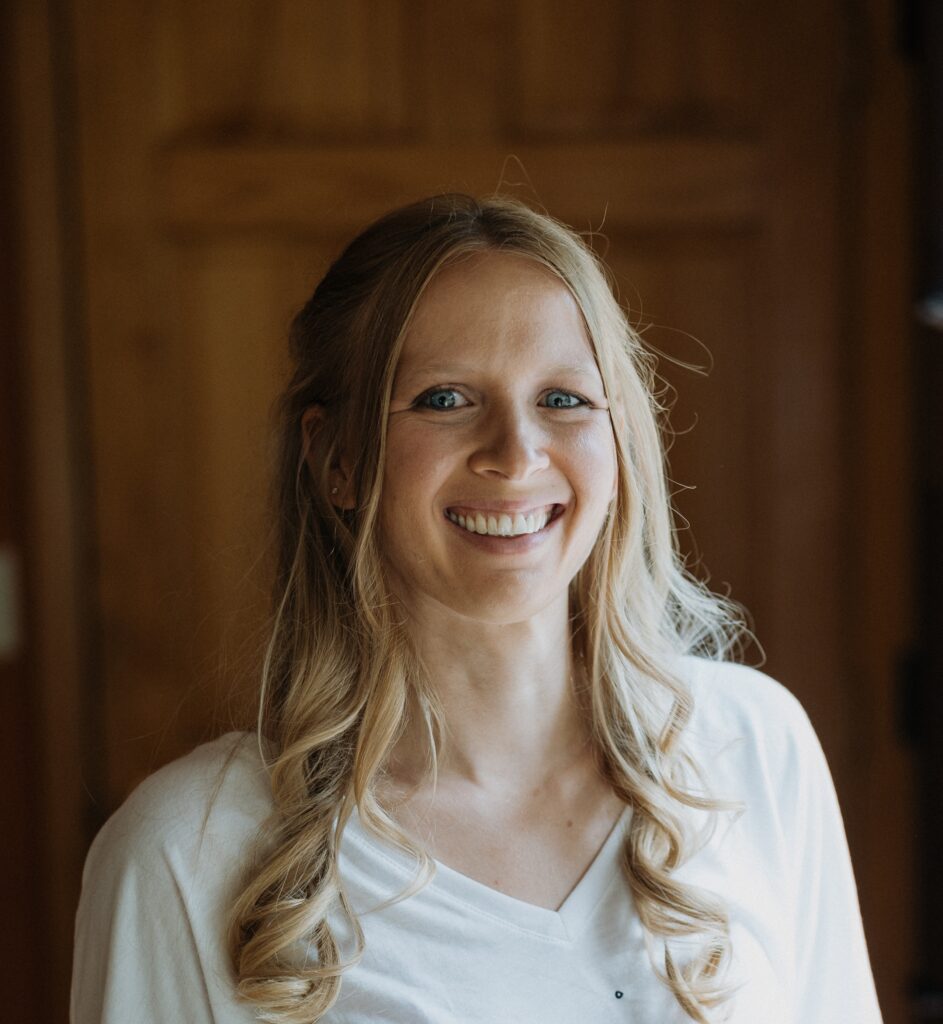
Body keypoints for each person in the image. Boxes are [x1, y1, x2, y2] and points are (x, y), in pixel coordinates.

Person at [71, 194, 882, 1023]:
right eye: (445, 399)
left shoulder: (752, 750)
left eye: (562, 399)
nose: (515, 454)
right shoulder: (186, 854)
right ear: (336, 458)